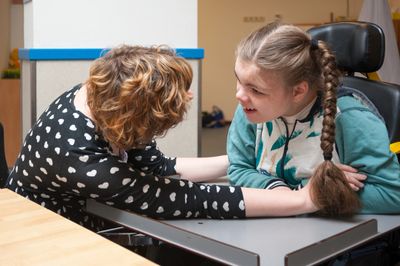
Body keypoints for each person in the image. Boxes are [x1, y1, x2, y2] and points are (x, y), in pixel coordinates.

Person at [6, 45, 318, 233]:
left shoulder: (104, 94)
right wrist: (302, 199)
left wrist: (249, 161)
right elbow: (188, 198)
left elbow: (159, 168)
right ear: (137, 118)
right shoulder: (81, 159)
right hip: (50, 240)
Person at [227, 22, 400, 215]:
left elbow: (393, 195)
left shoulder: (350, 118)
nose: (240, 95)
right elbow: (239, 169)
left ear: (298, 91)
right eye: (239, 81)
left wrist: (320, 191)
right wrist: (286, 195)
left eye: (255, 90)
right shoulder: (250, 108)